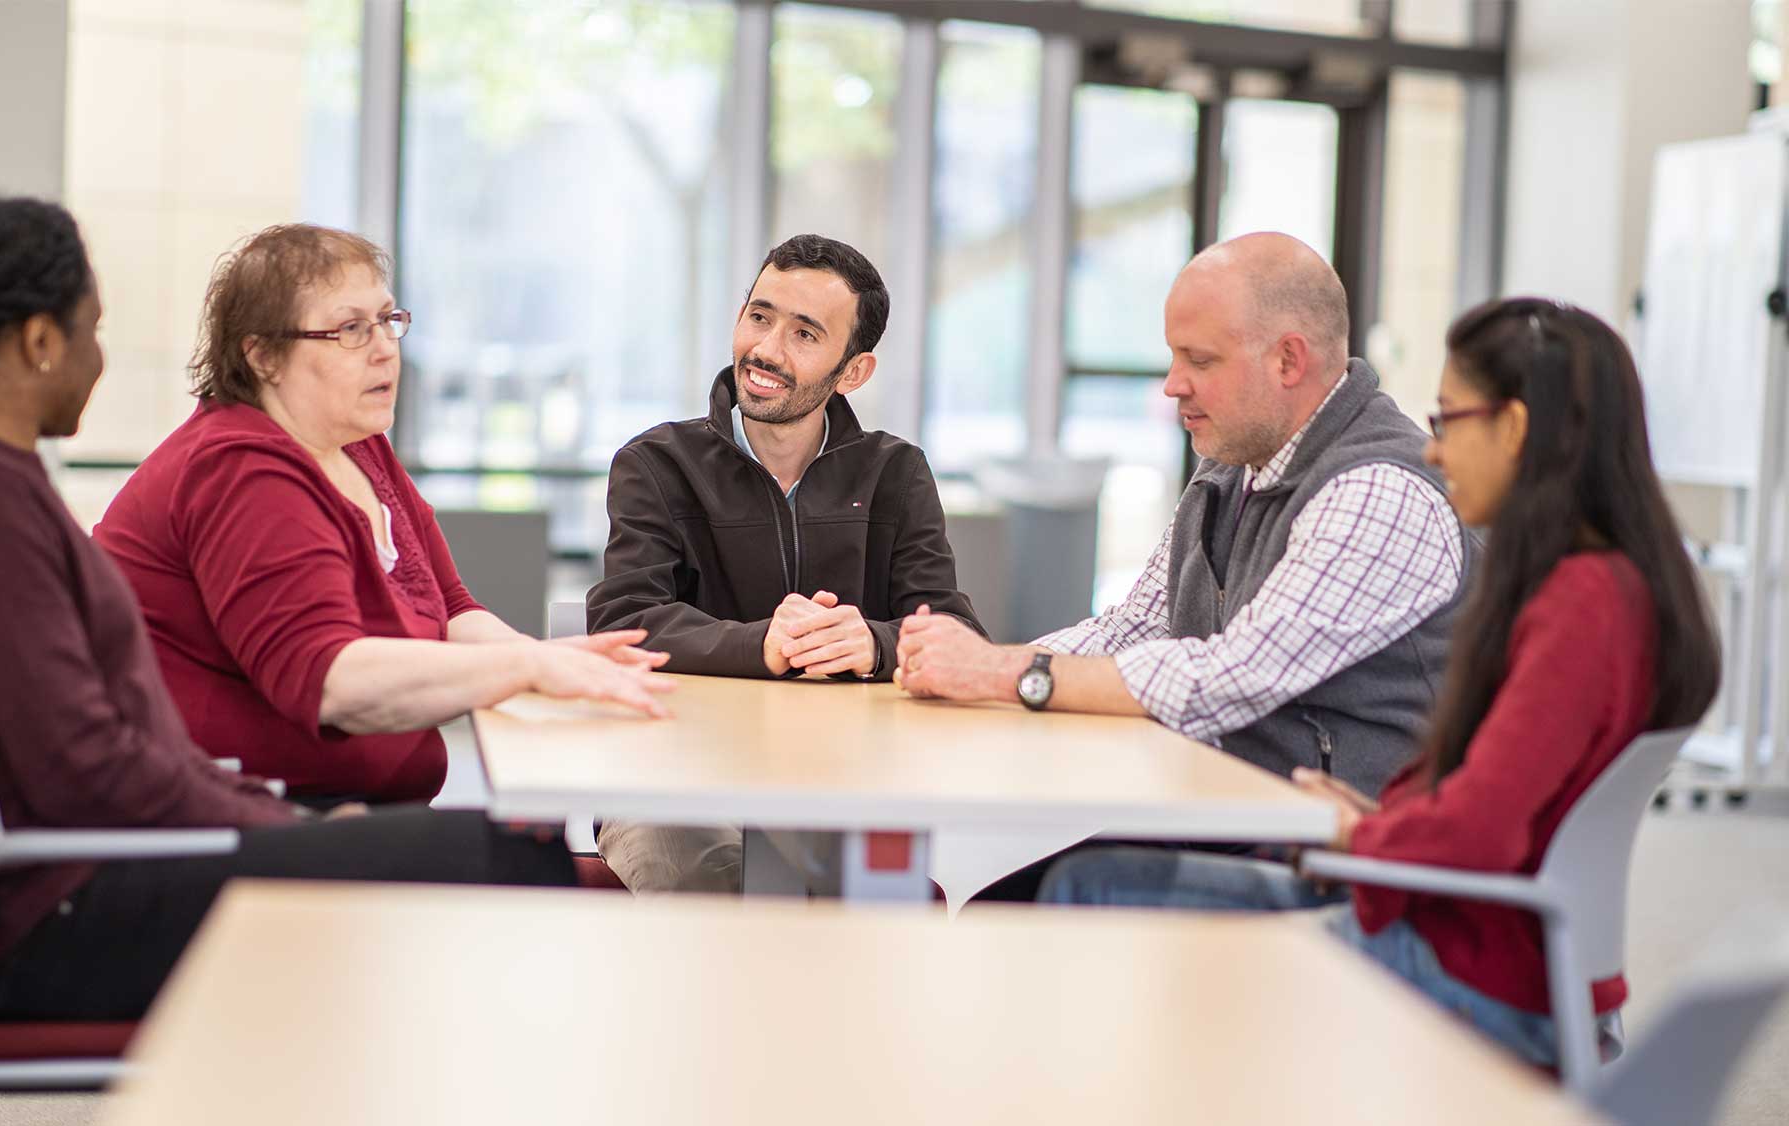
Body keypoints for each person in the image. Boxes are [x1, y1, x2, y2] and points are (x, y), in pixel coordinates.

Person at [0, 197, 583, 1021]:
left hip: (105, 868)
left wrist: (285, 822)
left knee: (493, 856)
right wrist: (284, 825)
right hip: (70, 909)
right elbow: (86, 764)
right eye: (93, 332)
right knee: (509, 861)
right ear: (38, 342)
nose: (100, 360)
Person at [1037, 297, 1720, 1070]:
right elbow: (1500, 802)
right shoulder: (1614, 587)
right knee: (1090, 874)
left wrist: (1359, 834)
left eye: (1450, 421)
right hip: (1495, 946)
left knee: (1086, 888)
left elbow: (1477, 834)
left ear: (1516, 429)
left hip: (1478, 970)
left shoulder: (1579, 606)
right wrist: (1380, 819)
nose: (1434, 452)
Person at [894, 232, 1472, 899]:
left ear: (1288, 359)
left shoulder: (1379, 491)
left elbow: (1228, 677)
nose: (1173, 385)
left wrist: (1008, 675)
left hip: (1355, 871)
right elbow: (1138, 627)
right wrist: (970, 672)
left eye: (1199, 359)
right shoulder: (1233, 466)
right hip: (1241, 820)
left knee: (1049, 904)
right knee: (1007, 902)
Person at [93, 224, 672, 805]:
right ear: (263, 355)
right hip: (248, 817)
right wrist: (526, 669)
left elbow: (450, 611)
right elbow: (330, 682)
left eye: (388, 321)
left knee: (543, 862)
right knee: (540, 869)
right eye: (350, 329)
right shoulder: (241, 468)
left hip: (338, 807)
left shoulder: (355, 442)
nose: (384, 348)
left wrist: (542, 659)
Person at [587, 233, 984, 893]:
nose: (766, 349)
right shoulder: (657, 464)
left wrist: (871, 643)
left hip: (843, 781)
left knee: (877, 918)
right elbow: (624, 622)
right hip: (671, 778)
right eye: (760, 316)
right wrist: (762, 644)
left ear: (853, 371)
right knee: (713, 890)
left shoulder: (895, 473)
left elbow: (953, 630)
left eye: (805, 334)